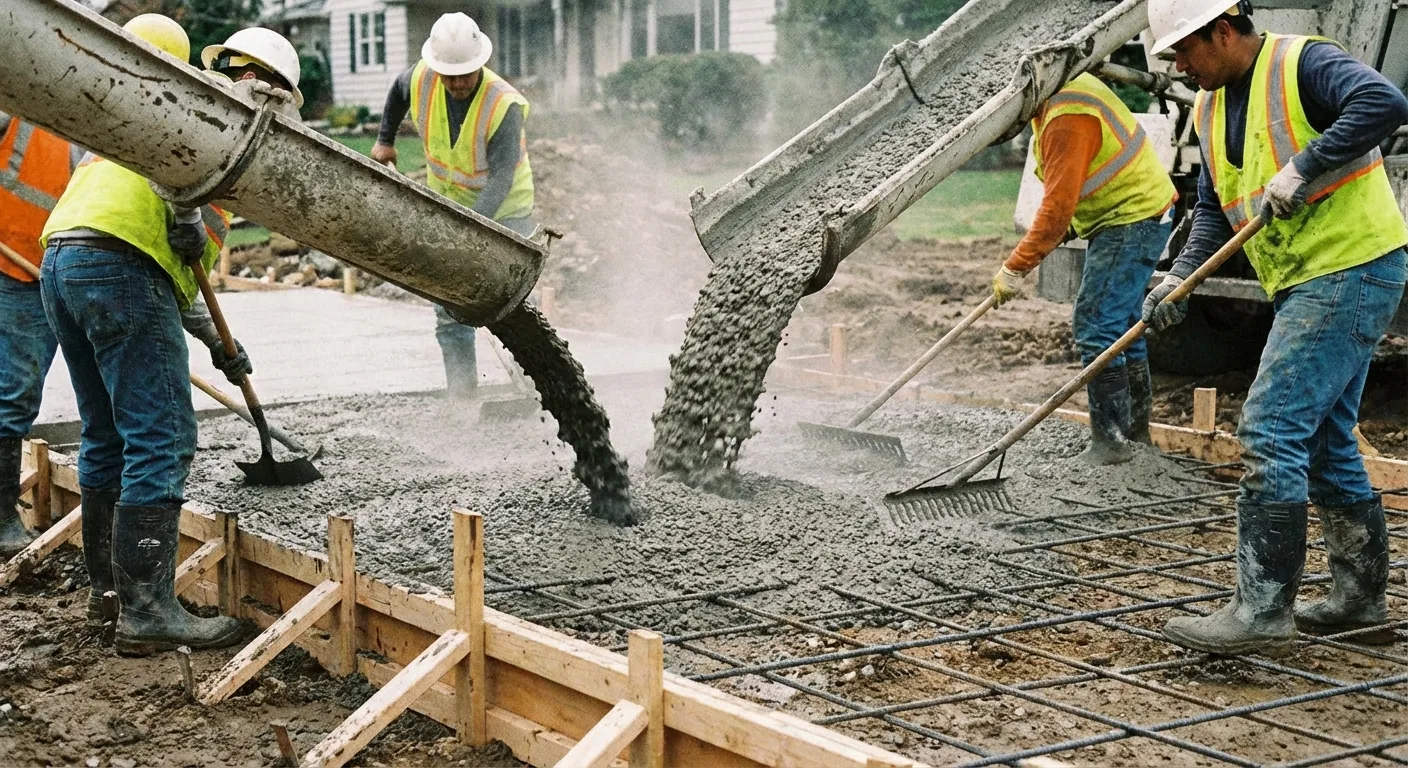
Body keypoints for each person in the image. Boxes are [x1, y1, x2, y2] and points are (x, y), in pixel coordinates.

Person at [1143, 0, 1408, 654]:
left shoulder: (1302, 62)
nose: (1179, 65)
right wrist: (1181, 275)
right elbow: (1214, 207)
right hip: (1306, 278)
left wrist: (1306, 163)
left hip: (1351, 265)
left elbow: (1385, 103)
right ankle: (1359, 602)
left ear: (1224, 30)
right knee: (1320, 439)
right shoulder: (1207, 107)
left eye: (1184, 50)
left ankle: (1263, 611)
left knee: (1270, 425)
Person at [35, 16, 299, 656]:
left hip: (64, 258)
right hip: (121, 264)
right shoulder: (220, 126)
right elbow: (176, 251)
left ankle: (108, 587)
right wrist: (187, 225)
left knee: (106, 432)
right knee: (162, 434)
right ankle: (148, 610)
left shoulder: (155, 105)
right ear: (270, 89)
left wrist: (220, 345)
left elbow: (181, 275)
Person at [992, 74, 1177, 464]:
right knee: (1122, 328)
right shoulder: (1064, 92)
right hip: (1138, 213)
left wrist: (1014, 268)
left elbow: (1056, 211)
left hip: (1131, 219)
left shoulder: (1066, 116)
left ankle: (1111, 444)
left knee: (1095, 324)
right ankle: (1133, 437)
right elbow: (1083, 182)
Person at [371, 12, 535, 399]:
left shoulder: (504, 104)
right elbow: (397, 91)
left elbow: (500, 180)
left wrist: (470, 231)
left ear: (482, 64)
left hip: (507, 211)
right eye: (450, 74)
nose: (458, 83)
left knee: (512, 309)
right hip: (450, 208)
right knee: (449, 310)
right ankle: (462, 399)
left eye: (467, 73)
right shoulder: (421, 78)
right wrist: (384, 139)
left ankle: (536, 394)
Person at [0, 113, 81, 558]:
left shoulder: (88, 117)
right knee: (12, 394)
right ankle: (0, 520)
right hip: (12, 266)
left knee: (18, 395)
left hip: (57, 264)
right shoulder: (18, 100)